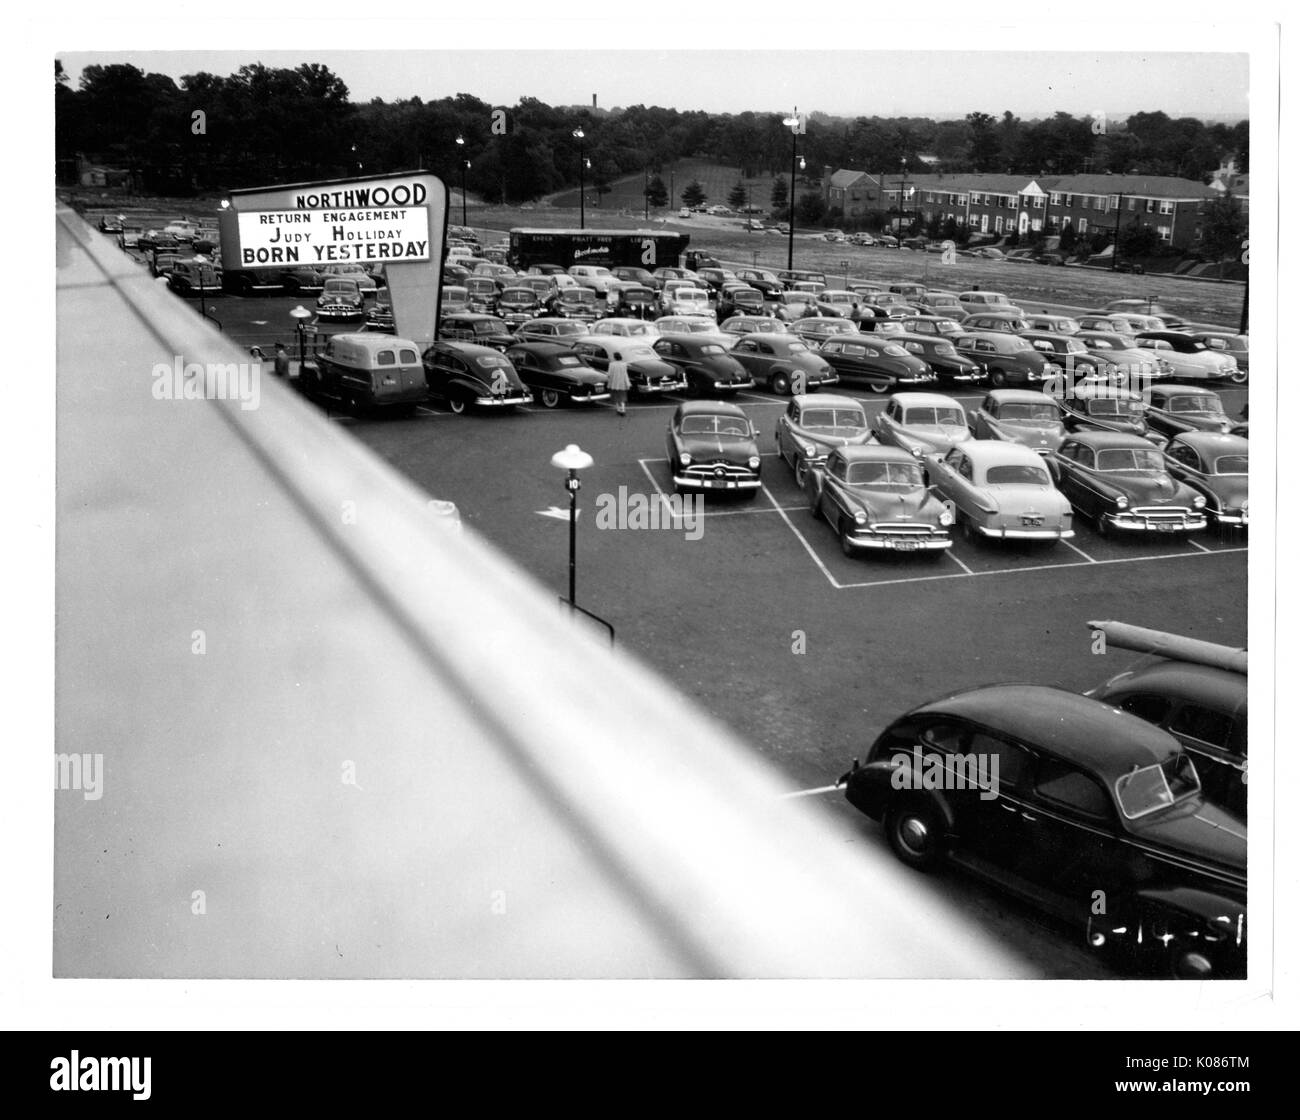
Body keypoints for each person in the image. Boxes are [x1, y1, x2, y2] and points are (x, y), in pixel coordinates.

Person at [607, 350, 631, 417]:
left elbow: (609, 374)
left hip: (614, 383)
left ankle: (618, 410)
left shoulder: (611, 364)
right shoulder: (624, 364)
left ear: (614, 357)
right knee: (622, 397)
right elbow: (629, 367)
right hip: (622, 383)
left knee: (615, 397)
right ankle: (623, 410)